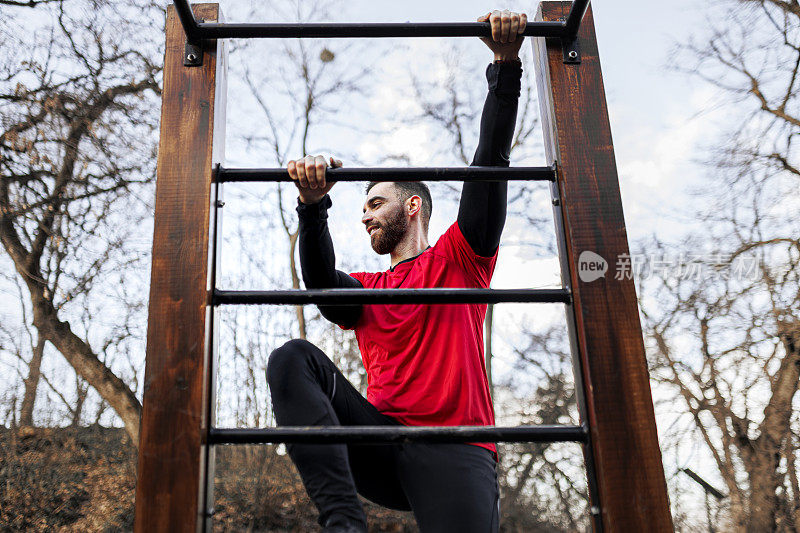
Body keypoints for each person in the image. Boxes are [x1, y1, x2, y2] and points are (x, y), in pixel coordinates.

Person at [267, 10, 527, 533]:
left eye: (376, 202)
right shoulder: (368, 290)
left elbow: (489, 161)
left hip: (456, 448)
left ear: (412, 208)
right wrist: (313, 206)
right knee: (292, 358)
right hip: (380, 444)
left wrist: (504, 65)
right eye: (361, 205)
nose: (364, 213)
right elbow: (321, 281)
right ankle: (343, 522)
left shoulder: (461, 259)